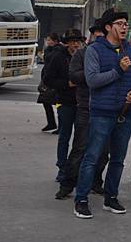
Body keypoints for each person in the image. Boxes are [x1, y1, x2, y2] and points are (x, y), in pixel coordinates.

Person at [73, 8, 131, 219]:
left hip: (125, 113)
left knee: (118, 159)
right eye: (120, 23)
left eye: (126, 24)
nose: (124, 27)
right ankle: (81, 200)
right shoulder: (94, 50)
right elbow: (92, 80)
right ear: (108, 27)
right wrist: (118, 71)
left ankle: (110, 197)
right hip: (101, 113)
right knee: (92, 157)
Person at [55, 20, 109, 199]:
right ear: (93, 35)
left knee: (103, 152)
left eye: (103, 33)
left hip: (108, 108)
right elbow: (74, 75)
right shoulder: (84, 53)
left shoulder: (114, 54)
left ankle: (95, 182)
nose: (100, 36)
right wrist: (94, 75)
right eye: (97, 33)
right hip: (86, 106)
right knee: (80, 147)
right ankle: (67, 183)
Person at [43, 29, 85, 183]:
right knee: (64, 137)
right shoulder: (58, 57)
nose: (75, 44)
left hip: (84, 104)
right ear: (66, 42)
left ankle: (76, 169)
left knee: (81, 140)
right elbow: (48, 79)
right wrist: (67, 84)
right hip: (65, 102)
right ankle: (62, 168)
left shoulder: (86, 55)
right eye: (72, 41)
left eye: (78, 41)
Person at [37, 32, 60, 133]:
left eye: (50, 40)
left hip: (54, 80)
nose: (48, 42)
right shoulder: (48, 50)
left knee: (58, 104)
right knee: (46, 101)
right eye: (47, 40)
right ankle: (51, 123)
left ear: (55, 41)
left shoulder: (59, 50)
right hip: (47, 79)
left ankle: (60, 126)